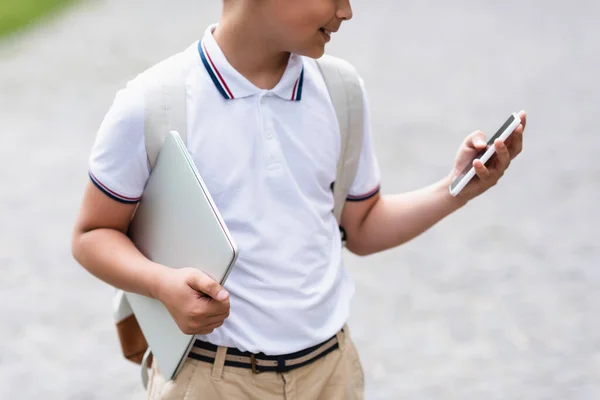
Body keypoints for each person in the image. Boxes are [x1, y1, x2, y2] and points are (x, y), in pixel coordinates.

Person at [71, 0, 526, 399]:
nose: (346, 11)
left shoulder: (340, 91)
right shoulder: (153, 102)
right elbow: (92, 234)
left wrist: (456, 189)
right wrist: (160, 285)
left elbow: (362, 225)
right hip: (209, 380)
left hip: (331, 375)